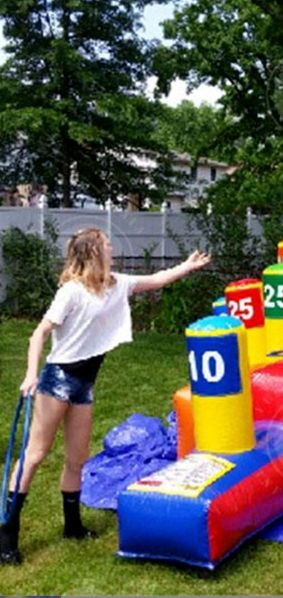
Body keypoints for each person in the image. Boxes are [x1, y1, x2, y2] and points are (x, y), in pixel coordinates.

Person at [0, 227, 211, 565]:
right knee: (35, 454)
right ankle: (6, 537)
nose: (112, 248)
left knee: (77, 459)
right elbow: (39, 333)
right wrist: (30, 374)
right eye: (107, 244)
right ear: (93, 252)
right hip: (58, 379)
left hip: (84, 384)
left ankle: (72, 526)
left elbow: (156, 280)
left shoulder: (116, 284)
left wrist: (187, 266)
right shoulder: (71, 292)